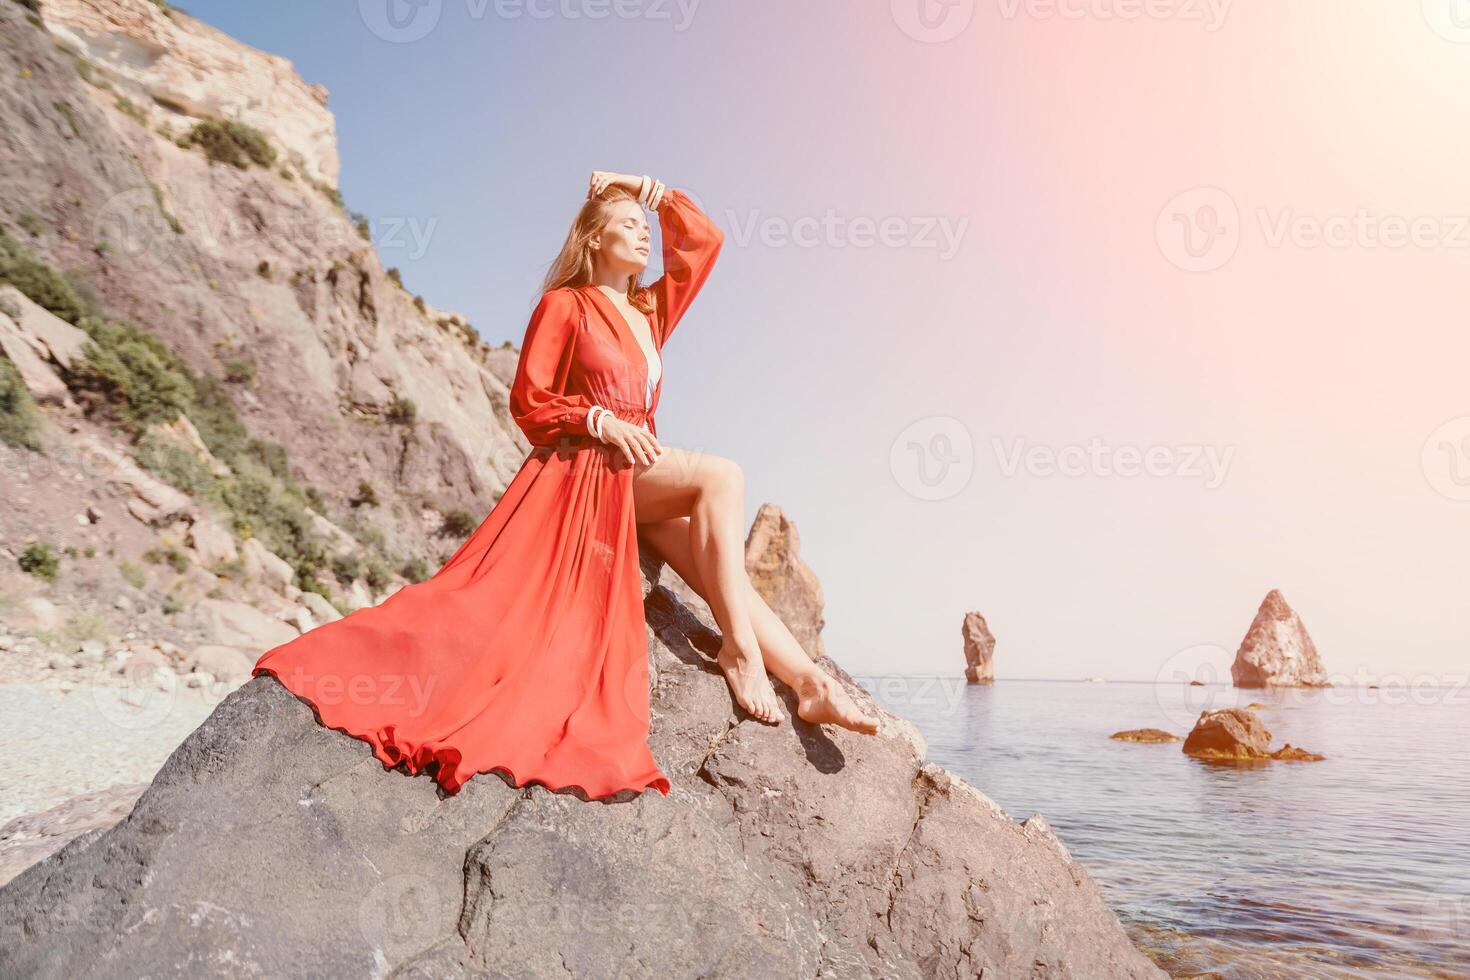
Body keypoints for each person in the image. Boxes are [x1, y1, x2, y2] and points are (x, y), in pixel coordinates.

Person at [252, 171, 878, 801]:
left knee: (719, 566)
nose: (644, 236)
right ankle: (740, 653)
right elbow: (528, 401)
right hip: (583, 472)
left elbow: (705, 241)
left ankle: (807, 682)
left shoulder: (648, 311)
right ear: (593, 239)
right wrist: (595, 418)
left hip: (634, 477)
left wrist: (646, 190)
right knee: (723, 475)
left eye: (645, 226)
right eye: (628, 226)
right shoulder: (564, 305)